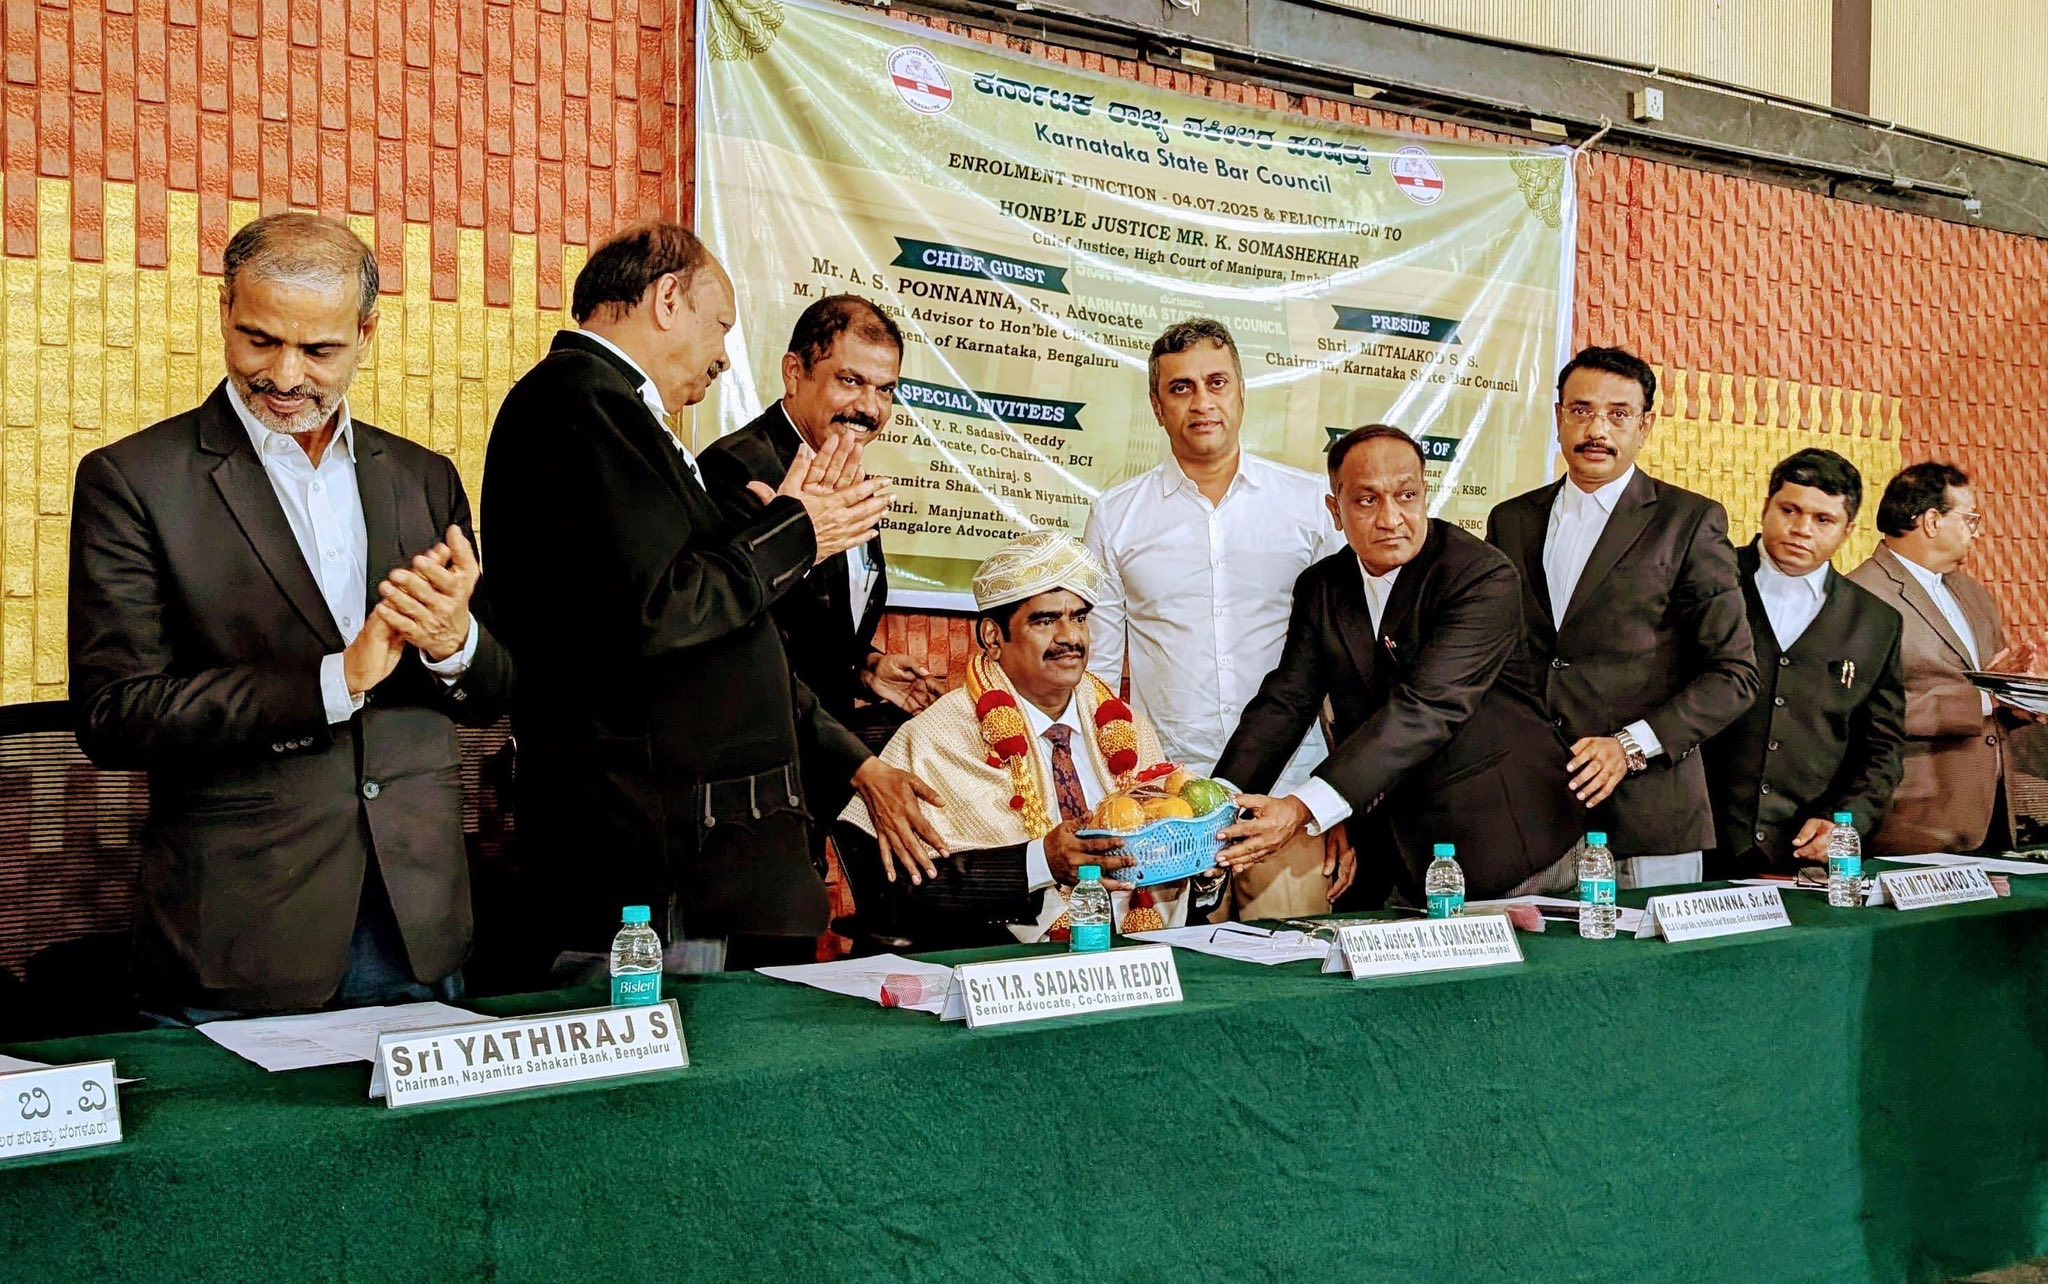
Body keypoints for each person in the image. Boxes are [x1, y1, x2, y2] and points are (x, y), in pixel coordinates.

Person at [67, 213, 512, 1017]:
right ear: (225, 311)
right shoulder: (133, 481)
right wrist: (334, 681)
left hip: (420, 922)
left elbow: (491, 691)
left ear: (366, 333)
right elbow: (115, 714)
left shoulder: (425, 478)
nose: (284, 374)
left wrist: (456, 645)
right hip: (242, 932)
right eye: (260, 340)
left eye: (319, 350)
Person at [481, 223, 944, 976]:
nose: (724, 356)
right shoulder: (584, 401)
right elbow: (662, 608)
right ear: (668, 300)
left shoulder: (613, 408)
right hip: (642, 841)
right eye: (720, 325)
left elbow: (697, 602)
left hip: (696, 842)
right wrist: (797, 532)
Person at [1211, 426, 1581, 905]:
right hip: (1395, 858)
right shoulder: (1322, 587)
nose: (1391, 518)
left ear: (1425, 494)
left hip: (1510, 848)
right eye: (1367, 501)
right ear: (1335, 511)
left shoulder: (1481, 576)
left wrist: (1304, 807)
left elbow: (1425, 708)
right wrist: (1216, 805)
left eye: (1406, 495)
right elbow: (1286, 701)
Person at [836, 531, 1226, 950]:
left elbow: (1171, 869)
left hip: (1139, 953)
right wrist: (1041, 862)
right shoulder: (936, 737)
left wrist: (1205, 870)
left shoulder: (1126, 725)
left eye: (1079, 618)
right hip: (1001, 961)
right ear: (993, 637)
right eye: (1045, 621)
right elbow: (898, 895)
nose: (1070, 637)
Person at [1084, 318, 1345, 917]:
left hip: (1285, 800)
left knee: (1292, 965)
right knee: (1172, 971)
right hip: (1166, 808)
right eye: (1181, 388)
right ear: (1157, 406)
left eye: (1216, 382)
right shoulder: (1117, 517)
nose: (1202, 402)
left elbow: (1344, 667)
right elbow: (1097, 678)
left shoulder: (1309, 506)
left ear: (1242, 392)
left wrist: (1336, 807)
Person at [1486, 345, 1758, 888]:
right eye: (1581, 411)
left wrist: (1630, 746)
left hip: (1648, 816)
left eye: (1618, 414)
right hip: (1529, 815)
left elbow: (1735, 676)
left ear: (1645, 425)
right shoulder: (1510, 520)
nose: (1597, 430)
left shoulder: (1689, 522)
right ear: (1559, 417)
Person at [699, 295, 943, 861]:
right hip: (748, 790)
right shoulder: (740, 470)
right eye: (851, 381)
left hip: (810, 777)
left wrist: (865, 667)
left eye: (886, 390)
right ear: (795, 373)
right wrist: (857, 763)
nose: (869, 407)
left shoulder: (842, 465)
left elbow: (808, 623)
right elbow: (740, 644)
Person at [1704, 450, 1906, 877]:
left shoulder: (1877, 622)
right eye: (1789, 510)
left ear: (1848, 531)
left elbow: (1881, 749)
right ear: (1766, 507)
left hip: (1804, 856)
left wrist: (1846, 823)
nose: (1801, 529)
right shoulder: (1706, 581)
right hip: (1695, 844)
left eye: (1823, 519)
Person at [1847, 462, 2038, 855]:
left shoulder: (1973, 593)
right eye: (1970, 519)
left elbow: (1991, 692)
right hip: (1912, 821)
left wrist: (2020, 700)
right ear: (1932, 521)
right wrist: (1984, 700)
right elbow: (1856, 711)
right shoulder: (1860, 596)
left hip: (1991, 816)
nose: (1977, 532)